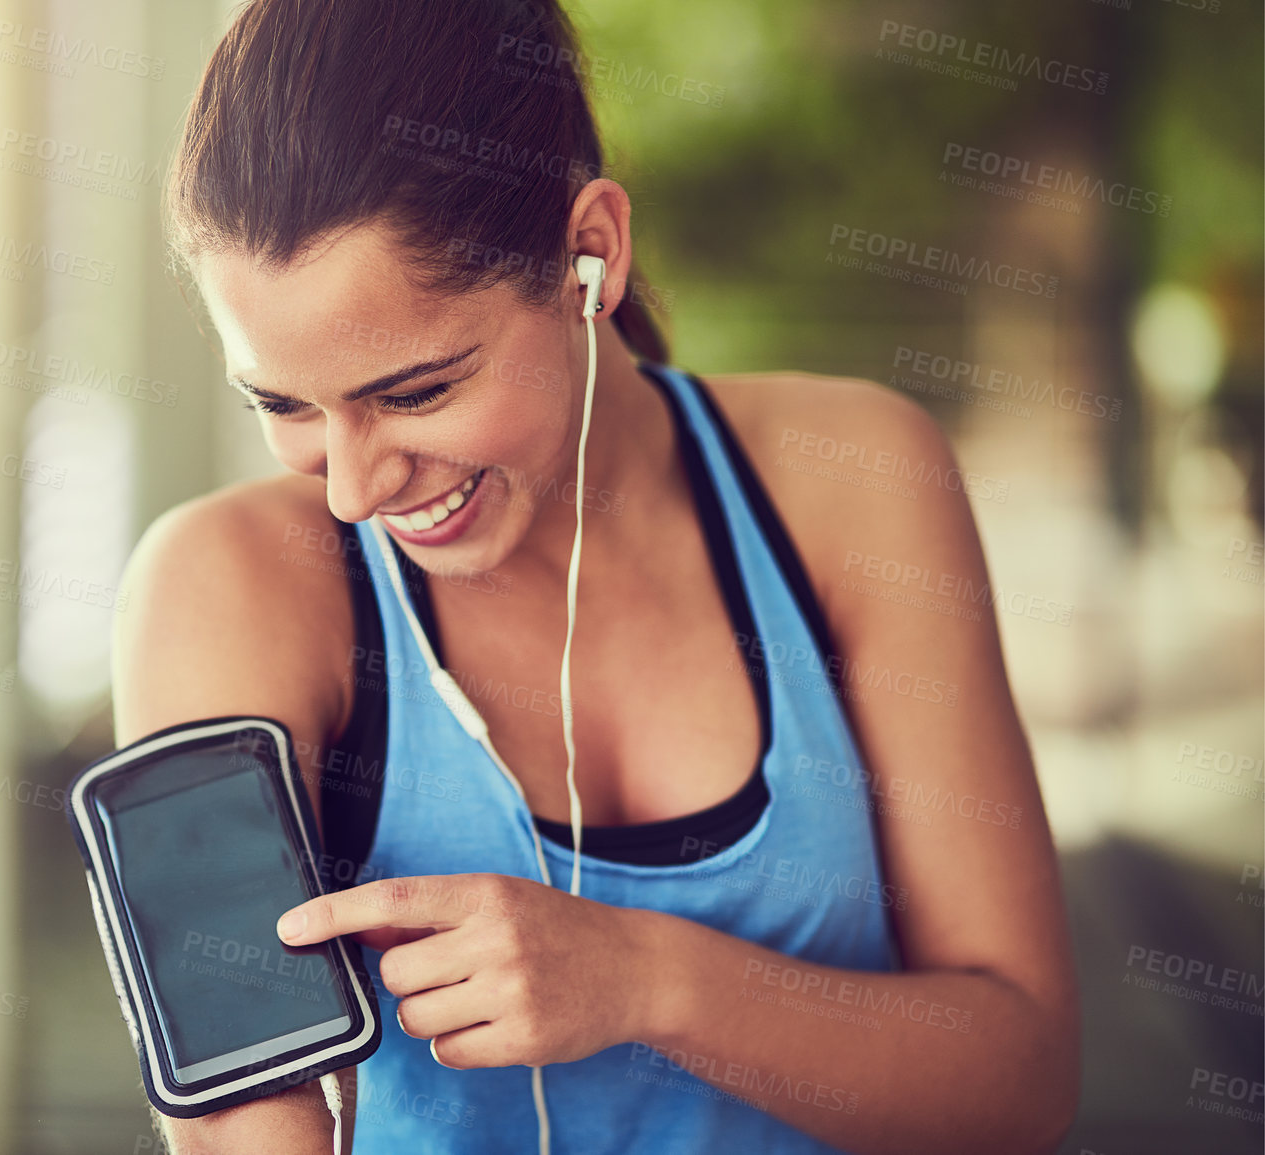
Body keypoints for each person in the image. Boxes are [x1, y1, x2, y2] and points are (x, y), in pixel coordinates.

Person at [111, 0, 1080, 1151]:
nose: (353, 490)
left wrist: (645, 978)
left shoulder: (855, 484)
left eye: (417, 390)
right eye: (284, 404)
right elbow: (236, 1120)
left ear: (593, 254)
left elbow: (1017, 1084)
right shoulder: (221, 590)